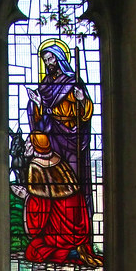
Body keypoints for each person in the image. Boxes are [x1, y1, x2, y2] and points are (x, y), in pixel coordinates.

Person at [26, 42, 96, 219]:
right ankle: (55, 222)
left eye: (51, 59)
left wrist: (82, 100)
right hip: (52, 137)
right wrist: (37, 104)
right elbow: (41, 114)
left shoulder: (73, 82)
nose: (48, 63)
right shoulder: (45, 85)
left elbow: (85, 114)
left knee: (73, 179)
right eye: (45, 60)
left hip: (71, 136)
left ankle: (77, 222)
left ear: (60, 59)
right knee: (54, 180)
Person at [22, 130, 102, 266]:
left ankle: (71, 253)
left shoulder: (36, 165)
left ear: (35, 145)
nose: (26, 145)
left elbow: (40, 201)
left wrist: (25, 196)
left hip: (58, 229)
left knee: (34, 251)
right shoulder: (58, 158)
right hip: (75, 219)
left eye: (29, 142)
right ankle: (76, 249)